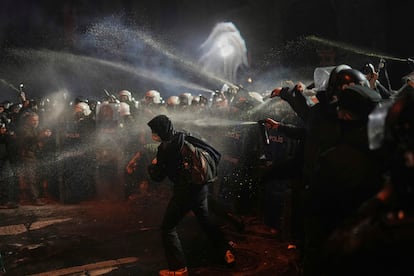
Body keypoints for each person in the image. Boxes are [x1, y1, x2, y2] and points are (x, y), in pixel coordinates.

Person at [146, 114, 235, 276]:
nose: (153, 134)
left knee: (168, 228)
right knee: (206, 221)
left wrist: (152, 166)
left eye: (154, 131)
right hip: (201, 188)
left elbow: (158, 177)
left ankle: (178, 268)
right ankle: (226, 251)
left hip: (183, 192)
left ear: (160, 132)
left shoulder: (165, 149)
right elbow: (209, 150)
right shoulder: (184, 136)